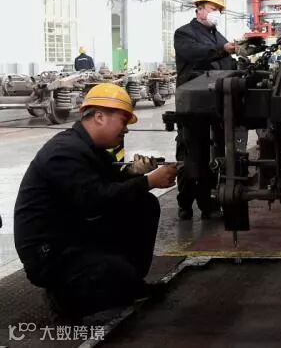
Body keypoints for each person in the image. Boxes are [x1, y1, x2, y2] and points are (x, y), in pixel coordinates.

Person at [13, 84, 177, 319]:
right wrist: (148, 181)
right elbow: (95, 199)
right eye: (123, 121)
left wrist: (133, 173)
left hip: (72, 233)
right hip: (49, 252)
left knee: (143, 204)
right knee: (112, 275)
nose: (126, 130)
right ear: (100, 117)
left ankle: (129, 280)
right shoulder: (64, 151)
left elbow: (109, 185)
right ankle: (65, 298)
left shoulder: (90, 149)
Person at [174, 0, 236, 220]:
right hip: (192, 104)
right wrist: (223, 49)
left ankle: (208, 203)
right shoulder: (184, 34)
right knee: (192, 153)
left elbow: (227, 66)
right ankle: (185, 203)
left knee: (216, 153)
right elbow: (196, 53)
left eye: (219, 9)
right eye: (212, 8)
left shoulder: (218, 36)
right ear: (199, 9)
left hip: (217, 104)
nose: (216, 13)